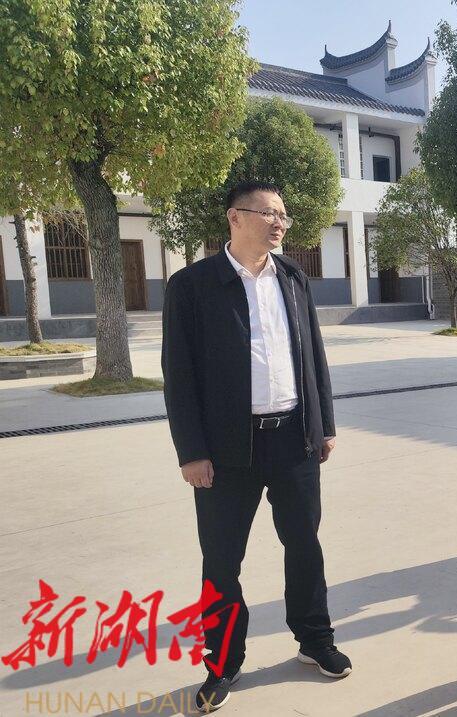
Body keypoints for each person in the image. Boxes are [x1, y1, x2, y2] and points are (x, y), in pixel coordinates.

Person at [161, 181, 351, 713]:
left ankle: (315, 640)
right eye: (269, 213)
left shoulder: (292, 277)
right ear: (235, 217)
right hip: (225, 451)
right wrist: (191, 452)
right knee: (222, 560)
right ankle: (223, 662)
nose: (279, 224)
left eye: (283, 216)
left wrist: (323, 424)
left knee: (305, 545)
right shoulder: (192, 286)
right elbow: (179, 375)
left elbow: (313, 355)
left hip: (294, 438)